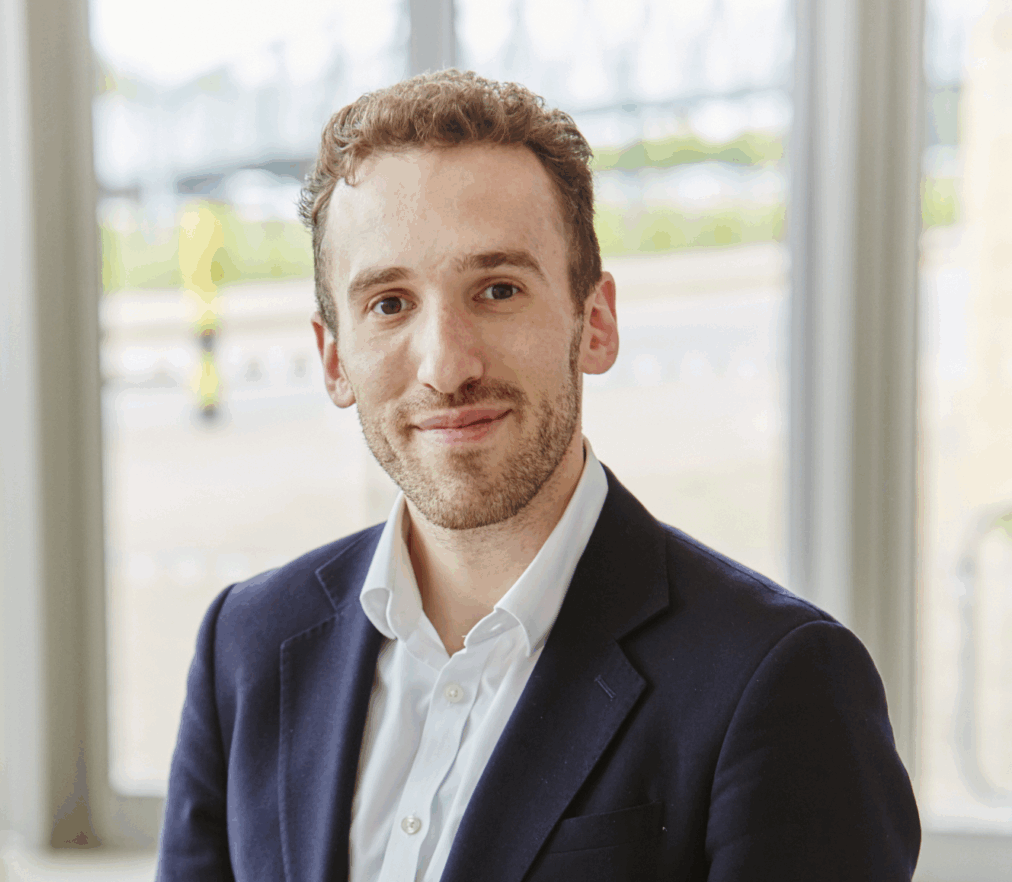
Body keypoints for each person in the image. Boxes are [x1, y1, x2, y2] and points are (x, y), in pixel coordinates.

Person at [157, 70, 920, 882]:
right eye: (389, 304)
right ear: (334, 358)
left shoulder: (779, 682)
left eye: (497, 290)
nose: (446, 366)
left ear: (596, 323)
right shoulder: (248, 644)